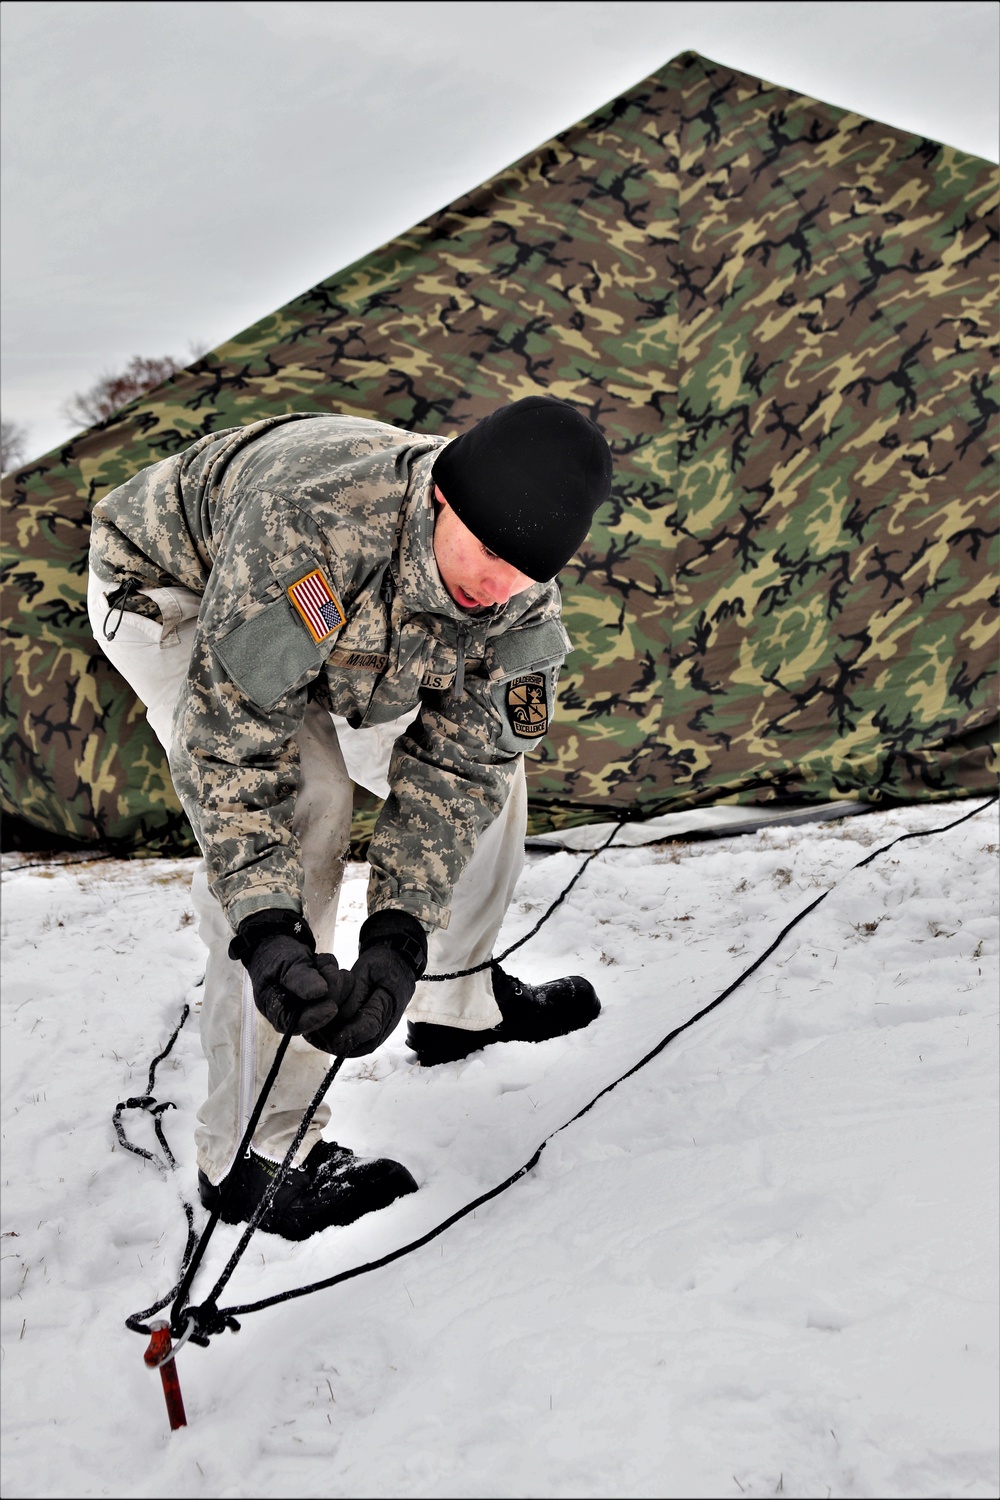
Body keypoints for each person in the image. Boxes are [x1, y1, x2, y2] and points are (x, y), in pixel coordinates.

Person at [87, 396, 613, 1240]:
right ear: (444, 496)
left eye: (524, 571)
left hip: (360, 625)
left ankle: (453, 998)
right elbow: (234, 753)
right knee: (312, 795)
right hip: (175, 587)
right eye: (485, 553)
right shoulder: (313, 526)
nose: (496, 585)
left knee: (494, 774)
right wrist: (269, 932)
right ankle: (254, 1153)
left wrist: (400, 935)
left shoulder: (516, 601)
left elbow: (461, 766)